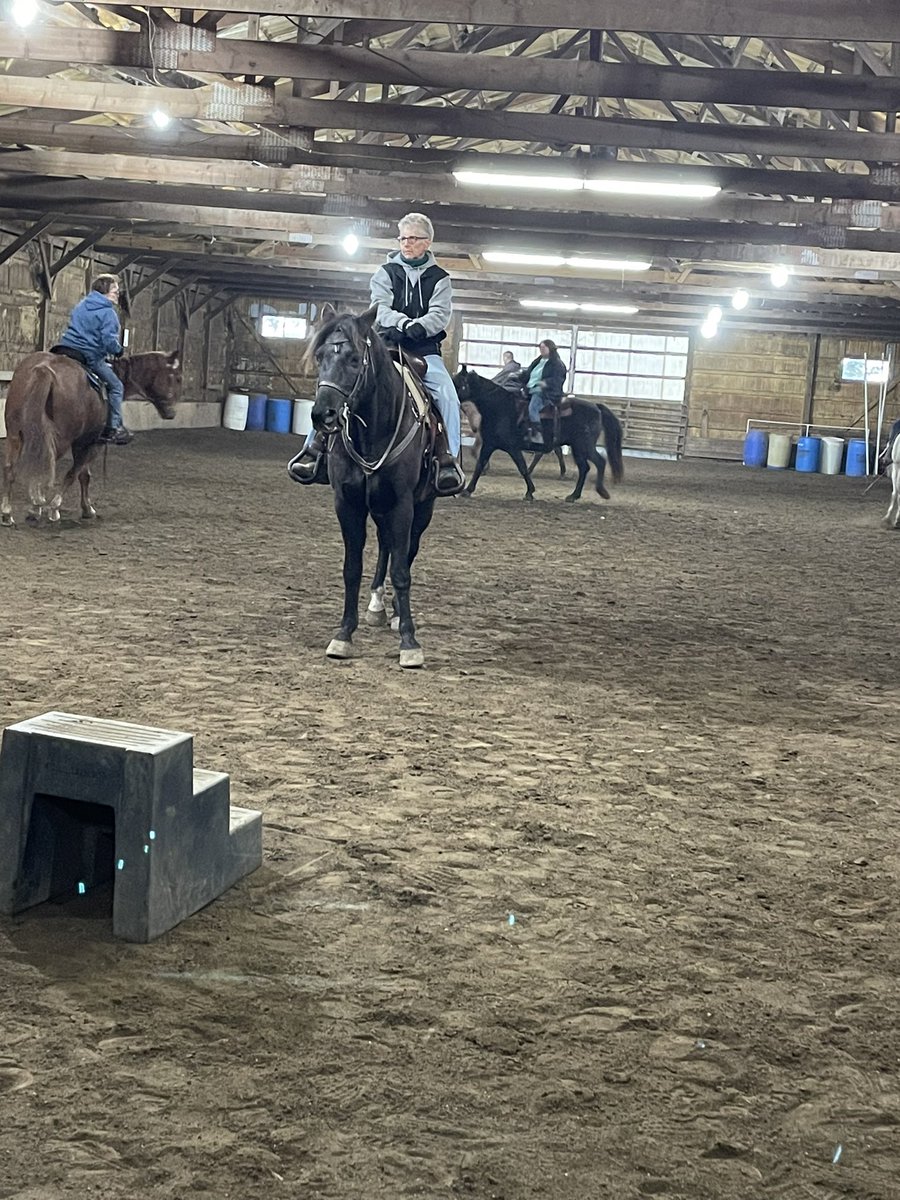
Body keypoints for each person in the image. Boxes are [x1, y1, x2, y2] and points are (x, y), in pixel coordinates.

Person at [291, 213, 465, 494]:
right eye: (403, 238)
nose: (406, 244)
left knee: (447, 394)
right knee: (342, 381)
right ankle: (314, 449)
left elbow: (440, 314)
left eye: (413, 239)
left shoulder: (440, 279)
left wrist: (419, 327)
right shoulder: (385, 273)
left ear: (427, 242)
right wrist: (402, 324)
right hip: (386, 345)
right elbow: (379, 307)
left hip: (423, 350)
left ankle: (449, 461)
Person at [57, 274, 132, 445]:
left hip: (65, 348)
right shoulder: (109, 313)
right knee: (116, 386)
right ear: (104, 292)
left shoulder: (81, 305)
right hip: (89, 355)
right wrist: (118, 350)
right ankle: (114, 428)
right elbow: (108, 341)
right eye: (115, 291)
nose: (117, 295)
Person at [523, 339, 567, 440]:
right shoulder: (537, 361)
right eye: (540, 348)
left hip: (545, 392)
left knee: (533, 408)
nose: (541, 350)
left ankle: (538, 433)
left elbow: (558, 379)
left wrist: (546, 383)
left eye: (544, 348)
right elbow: (529, 373)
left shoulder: (557, 364)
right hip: (530, 389)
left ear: (550, 348)